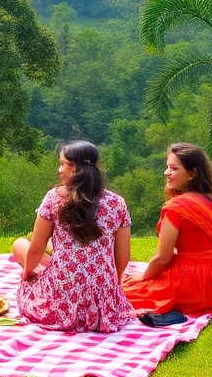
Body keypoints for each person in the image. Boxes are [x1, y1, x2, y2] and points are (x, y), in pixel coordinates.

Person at [12, 140, 135, 333]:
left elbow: (36, 248)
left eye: (63, 164)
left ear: (76, 168)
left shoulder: (55, 198)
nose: (59, 170)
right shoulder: (117, 203)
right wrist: (114, 285)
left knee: (20, 244)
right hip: (102, 291)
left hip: (63, 290)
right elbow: (123, 255)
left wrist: (27, 275)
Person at [121, 143, 212, 318]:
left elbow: (162, 257)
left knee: (124, 292)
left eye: (173, 168)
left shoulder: (175, 208)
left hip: (195, 286)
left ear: (192, 174)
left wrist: (145, 276)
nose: (166, 173)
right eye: (167, 167)